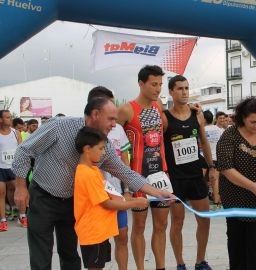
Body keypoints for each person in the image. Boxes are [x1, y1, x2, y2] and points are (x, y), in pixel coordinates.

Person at [12, 97, 174, 270]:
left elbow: (125, 172)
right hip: (43, 196)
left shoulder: (105, 147)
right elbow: (24, 150)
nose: (115, 124)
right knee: (40, 254)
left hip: (71, 203)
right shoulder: (59, 127)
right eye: (111, 119)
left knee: (70, 253)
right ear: (96, 114)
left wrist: (156, 192)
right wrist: (21, 187)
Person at [217, 97, 256, 270]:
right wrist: (251, 185)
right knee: (237, 244)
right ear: (242, 118)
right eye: (253, 121)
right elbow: (225, 167)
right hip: (235, 198)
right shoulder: (229, 135)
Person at [73, 126, 148, 270]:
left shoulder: (93, 170)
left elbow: (109, 195)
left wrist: (130, 199)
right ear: (87, 149)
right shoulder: (86, 174)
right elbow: (106, 203)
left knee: (99, 265)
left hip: (100, 231)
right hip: (93, 233)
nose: (104, 152)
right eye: (101, 148)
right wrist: (135, 204)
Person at [118, 65, 170, 270]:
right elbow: (112, 137)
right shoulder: (127, 109)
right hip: (138, 176)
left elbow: (165, 126)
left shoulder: (159, 106)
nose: (158, 89)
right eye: (153, 84)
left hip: (161, 173)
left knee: (161, 225)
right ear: (141, 84)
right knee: (138, 226)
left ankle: (161, 266)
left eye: (160, 85)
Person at [163, 75, 215, 270]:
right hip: (176, 178)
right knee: (177, 222)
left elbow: (204, 142)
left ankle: (201, 261)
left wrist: (211, 167)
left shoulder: (197, 115)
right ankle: (180, 263)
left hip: (195, 175)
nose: (184, 92)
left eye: (186, 88)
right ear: (171, 92)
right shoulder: (164, 117)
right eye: (180, 89)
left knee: (204, 219)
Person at [88, 86, 131, 270]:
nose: (113, 119)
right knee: (98, 244)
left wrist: (128, 189)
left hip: (117, 193)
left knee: (122, 236)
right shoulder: (84, 133)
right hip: (97, 198)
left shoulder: (118, 129)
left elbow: (124, 159)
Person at [0, 110, 24, 231]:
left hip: (14, 167)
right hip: (1, 168)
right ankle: (3, 220)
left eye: (10, 117)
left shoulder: (16, 133)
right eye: (7, 117)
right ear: (1, 119)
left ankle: (22, 216)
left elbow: (21, 149)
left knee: (17, 190)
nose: (10, 119)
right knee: (1, 193)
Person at [203, 110, 223, 205]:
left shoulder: (202, 130)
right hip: (216, 158)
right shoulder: (219, 130)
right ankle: (216, 200)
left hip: (203, 158)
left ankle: (202, 200)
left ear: (204, 119)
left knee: (201, 180)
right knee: (215, 181)